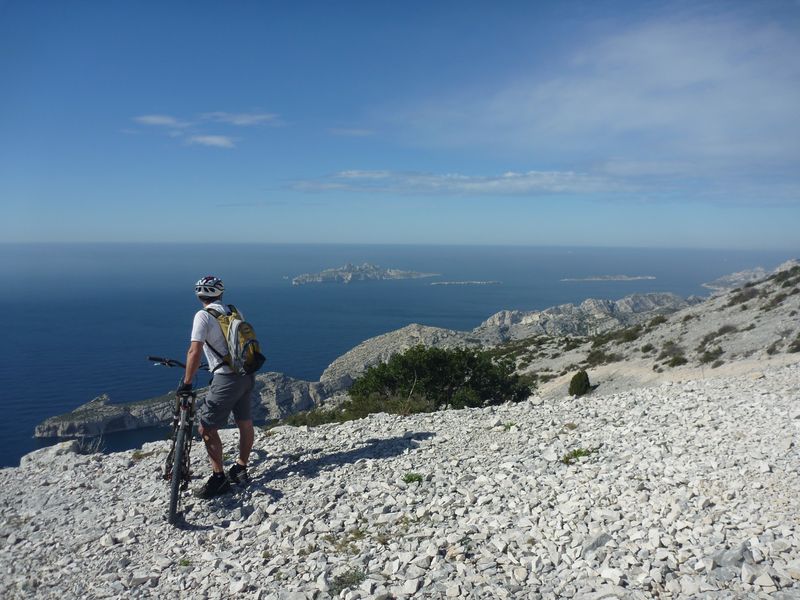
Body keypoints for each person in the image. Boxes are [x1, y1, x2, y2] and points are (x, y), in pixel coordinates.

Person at [178, 275, 255, 499]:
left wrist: (187, 382)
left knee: (207, 429)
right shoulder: (234, 311)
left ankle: (219, 478)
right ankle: (240, 468)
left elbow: (194, 351)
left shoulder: (202, 316)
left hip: (225, 378)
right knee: (245, 423)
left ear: (199, 295)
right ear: (221, 293)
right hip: (246, 374)